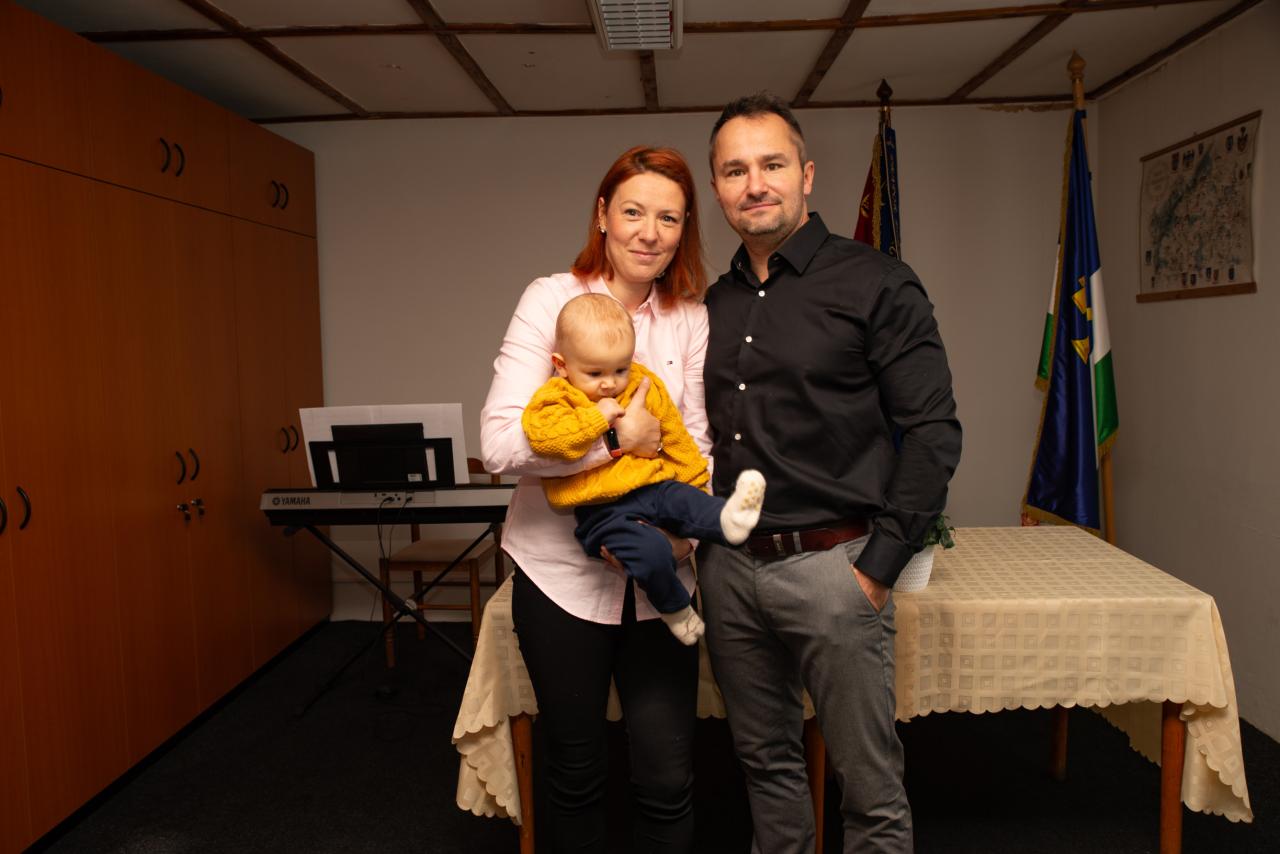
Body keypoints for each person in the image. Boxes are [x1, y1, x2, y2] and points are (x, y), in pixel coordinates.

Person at [699, 93, 962, 853]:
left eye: (772, 164)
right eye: (735, 170)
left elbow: (933, 431)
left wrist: (877, 568)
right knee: (766, 767)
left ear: (807, 175)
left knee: (869, 790)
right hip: (729, 571)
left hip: (834, 568)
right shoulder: (712, 304)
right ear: (717, 188)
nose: (755, 184)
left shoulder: (876, 282)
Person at [480, 146, 715, 852]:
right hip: (559, 581)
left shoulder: (690, 318)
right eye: (634, 211)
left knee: (667, 777)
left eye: (669, 218)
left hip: (662, 580)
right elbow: (499, 446)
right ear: (603, 215)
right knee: (576, 772)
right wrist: (615, 440)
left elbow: (700, 446)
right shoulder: (549, 299)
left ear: (684, 229)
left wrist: (680, 542)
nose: (650, 232)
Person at [522, 292, 766, 645]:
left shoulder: (642, 382)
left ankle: (730, 520)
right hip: (603, 511)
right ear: (561, 364)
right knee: (651, 553)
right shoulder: (555, 397)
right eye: (594, 373)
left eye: (619, 369)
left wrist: (696, 480)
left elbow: (676, 436)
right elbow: (546, 441)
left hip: (653, 487)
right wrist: (599, 420)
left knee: (688, 501)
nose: (610, 383)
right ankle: (675, 610)